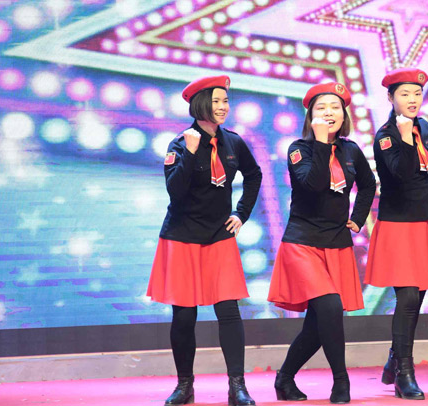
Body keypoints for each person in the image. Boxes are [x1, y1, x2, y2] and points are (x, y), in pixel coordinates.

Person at [147, 75, 262, 406]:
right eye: (216, 102)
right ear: (200, 106)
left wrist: (241, 213)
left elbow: (254, 175)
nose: (223, 107)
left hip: (219, 236)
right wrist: (190, 153)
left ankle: (237, 387)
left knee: (229, 311)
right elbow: (175, 191)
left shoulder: (234, 142)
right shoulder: (179, 144)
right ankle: (185, 385)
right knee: (184, 315)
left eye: (225, 101)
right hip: (182, 238)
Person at [267, 82, 376, 404]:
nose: (329, 113)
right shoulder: (299, 149)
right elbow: (312, 185)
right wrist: (320, 143)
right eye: (321, 108)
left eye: (335, 107)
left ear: (343, 115)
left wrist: (358, 218)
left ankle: (284, 379)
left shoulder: (351, 150)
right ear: (310, 116)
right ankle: (341, 381)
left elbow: (368, 185)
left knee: (318, 324)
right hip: (303, 243)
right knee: (329, 307)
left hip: (337, 243)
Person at [366, 67, 428, 400]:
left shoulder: (424, 127)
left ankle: (395, 357)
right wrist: (405, 139)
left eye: (417, 93)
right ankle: (405, 372)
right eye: (405, 94)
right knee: (406, 298)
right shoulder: (387, 135)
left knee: (418, 296)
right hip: (398, 225)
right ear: (391, 98)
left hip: (424, 222)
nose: (413, 99)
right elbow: (401, 174)